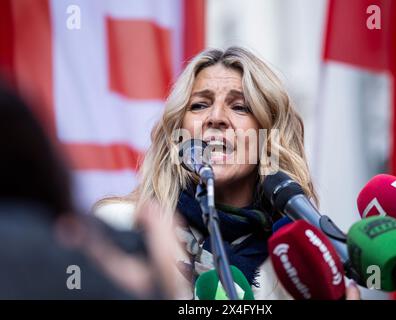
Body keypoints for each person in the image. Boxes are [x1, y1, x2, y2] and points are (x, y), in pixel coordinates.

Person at [96, 46, 361, 299]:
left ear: (267, 137)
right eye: (199, 105)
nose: (216, 117)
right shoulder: (122, 227)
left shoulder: (296, 267)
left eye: (240, 106)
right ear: (178, 135)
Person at [0, 82, 177, 299]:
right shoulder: (79, 236)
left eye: (234, 106)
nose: (216, 119)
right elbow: (76, 285)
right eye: (199, 105)